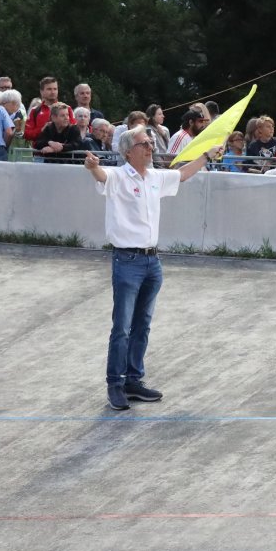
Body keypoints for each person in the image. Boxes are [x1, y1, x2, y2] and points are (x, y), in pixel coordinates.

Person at [85, 126, 222, 411]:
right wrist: (92, 167)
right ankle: (115, 383)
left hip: (151, 261)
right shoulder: (119, 176)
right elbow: (101, 176)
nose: (150, 147)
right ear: (128, 152)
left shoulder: (155, 177)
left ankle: (133, 380)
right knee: (122, 326)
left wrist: (206, 156)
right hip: (127, 260)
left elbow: (182, 174)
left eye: (150, 143)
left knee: (142, 325)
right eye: (144, 144)